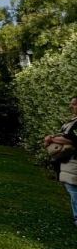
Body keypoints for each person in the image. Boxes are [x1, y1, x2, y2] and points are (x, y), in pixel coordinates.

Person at [44, 96, 77, 226]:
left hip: (74, 161)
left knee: (74, 189)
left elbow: (72, 140)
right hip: (67, 161)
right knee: (72, 188)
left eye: (74, 104)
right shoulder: (72, 121)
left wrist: (52, 139)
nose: (71, 107)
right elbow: (64, 136)